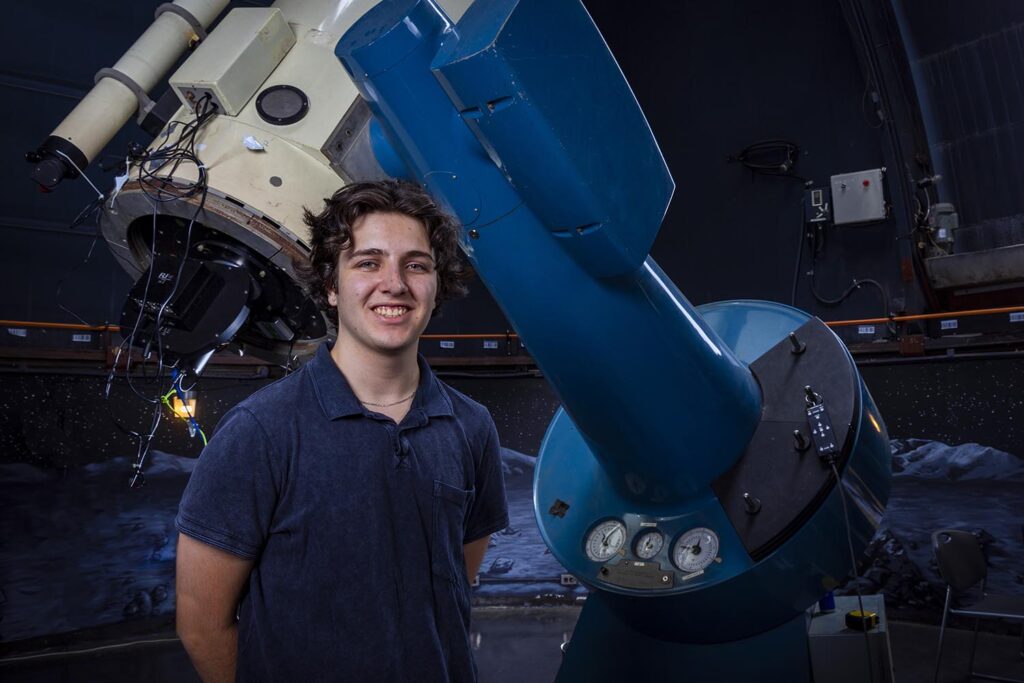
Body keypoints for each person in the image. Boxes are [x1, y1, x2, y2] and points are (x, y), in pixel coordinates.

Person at [174, 179, 509, 682]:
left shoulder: (471, 426)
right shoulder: (260, 431)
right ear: (331, 286)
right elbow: (202, 626)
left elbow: (456, 579)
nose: (394, 283)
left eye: (416, 265)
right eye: (368, 262)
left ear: (437, 285)